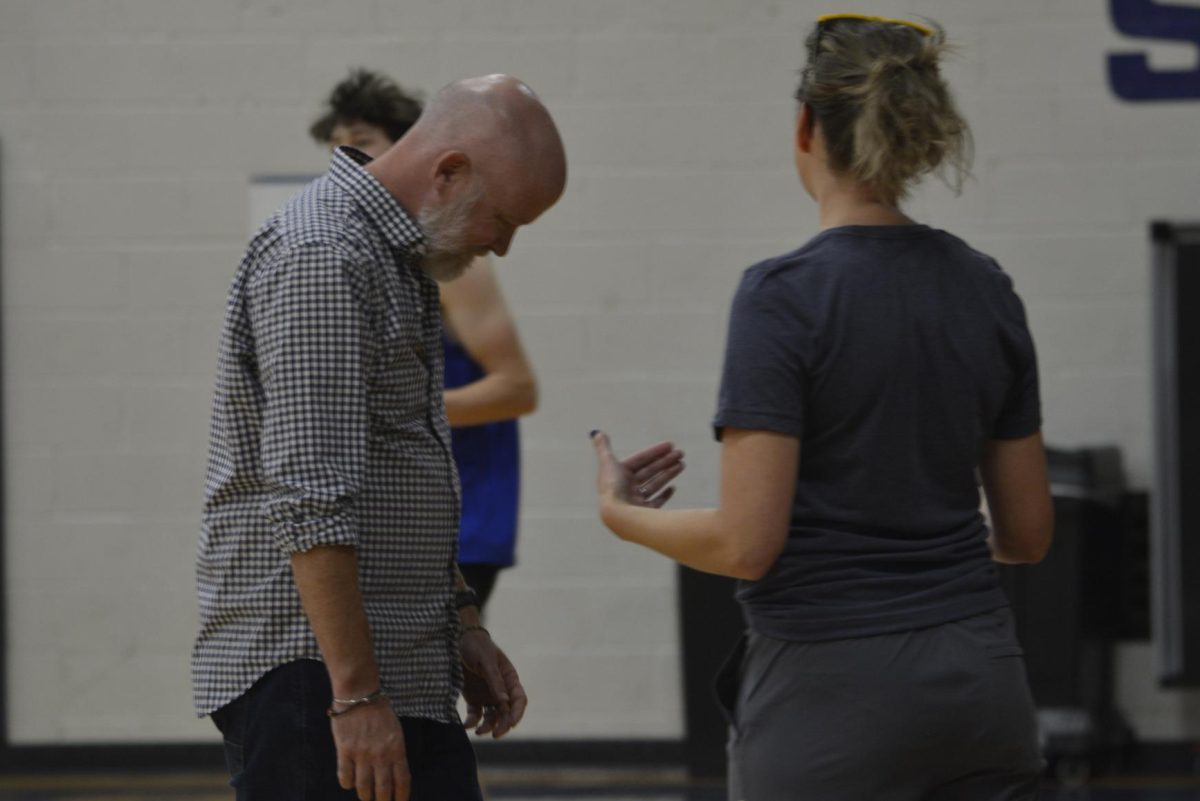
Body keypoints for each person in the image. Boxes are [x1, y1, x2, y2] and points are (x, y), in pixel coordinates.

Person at [590, 14, 1053, 801]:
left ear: (805, 125)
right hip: (983, 681)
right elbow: (1027, 533)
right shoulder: (987, 286)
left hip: (830, 694)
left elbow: (746, 543)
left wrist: (619, 512)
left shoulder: (783, 297)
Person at [193, 74, 566, 801]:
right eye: (504, 218)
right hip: (315, 674)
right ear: (449, 171)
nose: (504, 246)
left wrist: (462, 619)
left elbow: (400, 466)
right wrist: (356, 696)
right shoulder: (323, 254)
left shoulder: (394, 257)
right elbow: (310, 497)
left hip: (392, 661)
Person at [312, 68, 538, 610]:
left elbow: (517, 388)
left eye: (362, 142)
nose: (349, 158)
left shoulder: (452, 261)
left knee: (434, 675)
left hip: (465, 505)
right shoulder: (351, 248)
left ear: (407, 147)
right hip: (398, 502)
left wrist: (395, 411)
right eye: (337, 146)